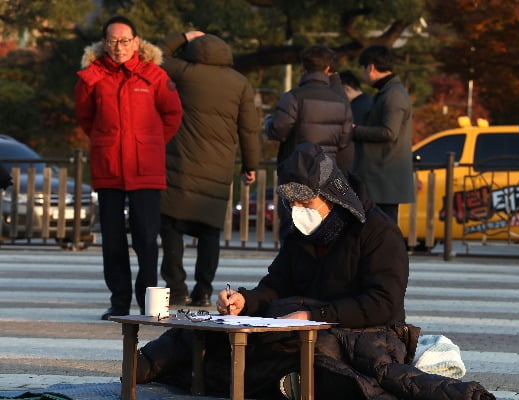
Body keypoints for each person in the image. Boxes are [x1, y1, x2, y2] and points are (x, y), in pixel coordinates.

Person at [135, 143, 495, 400]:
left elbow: (383, 303)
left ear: (332, 195)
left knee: (310, 352)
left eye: (306, 203)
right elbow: (277, 282)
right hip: (297, 323)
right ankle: (143, 366)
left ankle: (261, 381)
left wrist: (315, 315)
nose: (298, 210)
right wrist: (245, 300)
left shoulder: (377, 231)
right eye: (293, 203)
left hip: (362, 331)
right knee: (209, 329)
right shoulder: (300, 232)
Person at [74, 16, 182, 320]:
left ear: (136, 42)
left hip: (145, 168)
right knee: (112, 239)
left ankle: (148, 300)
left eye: (124, 40)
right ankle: (119, 301)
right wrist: (105, 141)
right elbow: (85, 118)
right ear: (103, 43)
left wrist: (149, 142)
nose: (118, 46)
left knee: (147, 238)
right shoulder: (91, 77)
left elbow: (172, 114)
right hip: (108, 168)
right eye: (112, 40)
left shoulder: (154, 76)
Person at [156, 31, 260, 307]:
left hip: (178, 164)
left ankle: (176, 288)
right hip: (217, 171)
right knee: (210, 233)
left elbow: (152, 57)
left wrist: (181, 36)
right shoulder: (239, 82)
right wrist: (251, 165)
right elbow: (249, 129)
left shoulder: (182, 71)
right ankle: (203, 290)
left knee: (171, 229)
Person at [264, 44, 353, 238]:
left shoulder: (293, 97)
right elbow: (344, 140)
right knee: (323, 230)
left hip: (296, 171)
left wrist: (268, 122)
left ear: (303, 68)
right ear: (328, 69)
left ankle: (292, 268)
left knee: (292, 229)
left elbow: (278, 130)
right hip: (328, 174)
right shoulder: (341, 102)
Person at [352, 45, 415, 223]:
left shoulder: (392, 95)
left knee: (383, 231)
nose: (363, 75)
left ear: (370, 67)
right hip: (382, 179)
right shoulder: (389, 92)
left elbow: (389, 132)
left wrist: (355, 131)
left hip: (384, 179)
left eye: (363, 69)